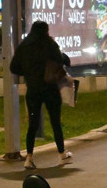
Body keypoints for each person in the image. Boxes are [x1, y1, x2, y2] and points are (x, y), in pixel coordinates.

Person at [10, 20, 72, 169]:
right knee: (55, 122)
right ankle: (62, 154)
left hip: (33, 90)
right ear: (46, 31)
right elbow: (61, 60)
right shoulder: (50, 44)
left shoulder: (24, 46)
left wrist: (29, 73)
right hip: (50, 89)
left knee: (33, 124)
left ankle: (29, 158)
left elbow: (14, 67)